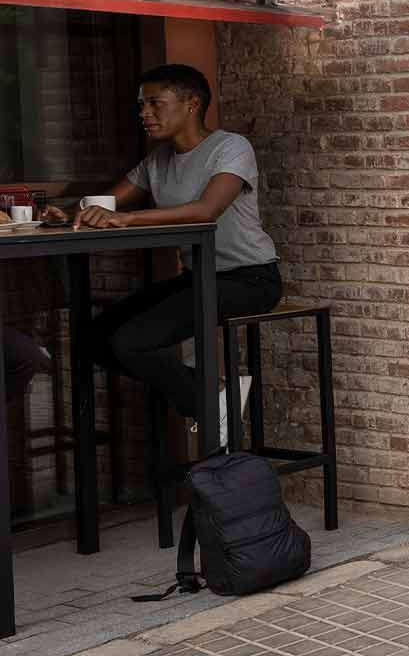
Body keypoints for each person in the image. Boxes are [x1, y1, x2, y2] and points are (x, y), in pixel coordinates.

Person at [45, 64, 281, 444]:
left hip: (249, 279)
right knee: (92, 338)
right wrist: (70, 212)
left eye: (155, 103)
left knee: (130, 342)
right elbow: (108, 202)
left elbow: (206, 211)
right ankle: (212, 394)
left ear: (192, 104)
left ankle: (206, 402)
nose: (144, 113)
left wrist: (128, 218)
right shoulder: (158, 161)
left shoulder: (231, 147)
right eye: (142, 105)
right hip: (196, 278)